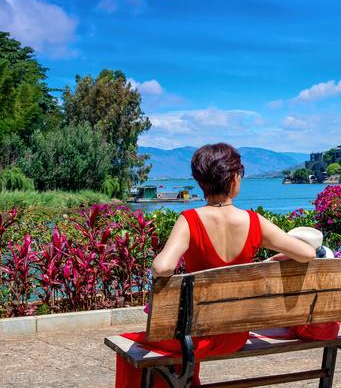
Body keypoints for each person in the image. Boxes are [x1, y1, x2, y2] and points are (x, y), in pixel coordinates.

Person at [115, 143, 326, 387]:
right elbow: (307, 253)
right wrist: (270, 261)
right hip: (234, 336)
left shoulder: (189, 220)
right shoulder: (254, 221)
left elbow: (162, 268)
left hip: (193, 337)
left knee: (129, 345)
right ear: (234, 178)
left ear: (200, 181)